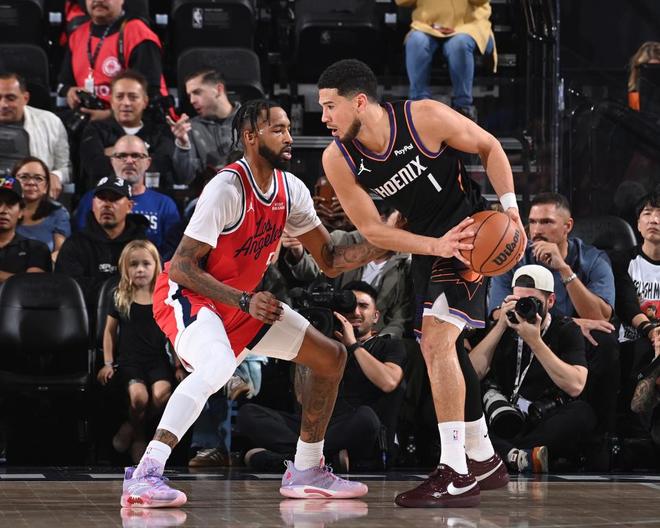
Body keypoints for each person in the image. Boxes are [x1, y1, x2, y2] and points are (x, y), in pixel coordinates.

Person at [120, 99, 396, 508]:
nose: (289, 137)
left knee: (331, 357)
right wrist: (245, 300)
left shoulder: (291, 189)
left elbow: (330, 259)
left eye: (289, 129)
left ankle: (306, 469)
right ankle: (145, 474)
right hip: (191, 295)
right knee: (217, 366)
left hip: (243, 303)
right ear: (250, 136)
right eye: (278, 129)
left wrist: (384, 243)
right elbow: (181, 267)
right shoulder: (227, 188)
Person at [317, 59, 524, 507]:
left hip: (470, 237)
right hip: (428, 245)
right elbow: (373, 231)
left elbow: (489, 146)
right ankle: (483, 457)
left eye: (330, 106)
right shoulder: (338, 158)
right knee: (443, 350)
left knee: (436, 343)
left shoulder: (422, 117)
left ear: (359, 102)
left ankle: (456, 471)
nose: (324, 118)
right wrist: (434, 246)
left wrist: (510, 209)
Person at [488, 193, 620, 443]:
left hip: (569, 343)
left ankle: (602, 437)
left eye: (546, 222)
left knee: (604, 339)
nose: (537, 230)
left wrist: (563, 268)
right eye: (532, 222)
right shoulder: (512, 257)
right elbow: (497, 311)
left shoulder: (593, 259)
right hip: (526, 336)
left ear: (567, 226)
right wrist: (571, 321)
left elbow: (600, 316)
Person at [239, 281, 406, 471]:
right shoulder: (328, 346)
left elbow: (389, 382)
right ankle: (319, 461)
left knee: (366, 418)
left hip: (356, 430)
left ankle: (285, 461)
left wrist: (353, 346)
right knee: (249, 414)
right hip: (320, 427)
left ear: (376, 316)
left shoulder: (389, 345)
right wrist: (313, 345)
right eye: (350, 307)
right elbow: (302, 398)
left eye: (363, 306)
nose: (355, 312)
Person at [470, 265, 596, 473]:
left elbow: (576, 385)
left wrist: (535, 341)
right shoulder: (502, 326)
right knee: (458, 405)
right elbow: (471, 375)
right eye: (518, 301)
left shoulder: (565, 329)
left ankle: (505, 454)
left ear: (551, 301)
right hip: (499, 416)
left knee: (583, 414)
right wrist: (500, 326)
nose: (523, 307)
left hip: (539, 419)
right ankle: (521, 456)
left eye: (532, 302)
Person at [97, 240, 184, 463]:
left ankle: (131, 426)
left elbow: (172, 334)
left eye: (146, 264)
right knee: (139, 398)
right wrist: (108, 363)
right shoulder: (119, 296)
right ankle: (139, 437)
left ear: (156, 266)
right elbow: (109, 332)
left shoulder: (164, 297)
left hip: (157, 360)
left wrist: (178, 364)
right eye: (133, 264)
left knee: (162, 394)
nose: (140, 269)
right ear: (125, 268)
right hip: (130, 361)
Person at [282, 199, 413, 338]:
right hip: (333, 330)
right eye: (398, 222)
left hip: (377, 337)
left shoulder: (407, 262)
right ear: (379, 220)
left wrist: (379, 342)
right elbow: (310, 272)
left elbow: (401, 317)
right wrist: (298, 251)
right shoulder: (342, 240)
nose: (403, 229)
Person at [58, 0, 168, 118]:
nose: (98, 1)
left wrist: (107, 115)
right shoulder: (77, 36)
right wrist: (70, 91)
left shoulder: (138, 34)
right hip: (89, 117)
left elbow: (149, 96)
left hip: (136, 119)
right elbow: (63, 84)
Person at [55, 176, 148, 314]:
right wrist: (119, 288)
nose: (107, 205)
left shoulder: (142, 246)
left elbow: (147, 288)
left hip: (129, 316)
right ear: (93, 205)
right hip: (84, 318)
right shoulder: (75, 244)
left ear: (129, 206)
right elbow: (67, 290)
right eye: (102, 198)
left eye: (114, 199)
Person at [610, 192, 660, 442]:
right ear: (638, 224)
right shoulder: (623, 261)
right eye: (647, 213)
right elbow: (627, 305)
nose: (654, 220)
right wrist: (652, 332)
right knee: (644, 351)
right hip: (632, 342)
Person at [74, 135, 180, 253]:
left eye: (136, 155)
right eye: (122, 156)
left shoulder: (165, 204)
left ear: (148, 162)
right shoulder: (93, 199)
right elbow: (81, 243)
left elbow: (172, 249)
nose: (129, 161)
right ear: (112, 161)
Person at [395, 0, 496, 120]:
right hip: (427, 26)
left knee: (458, 44)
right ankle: (418, 105)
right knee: (416, 41)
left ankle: (463, 107)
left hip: (468, 26)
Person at [79, 71, 176, 190]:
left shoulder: (160, 131)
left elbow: (163, 165)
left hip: (152, 199)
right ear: (111, 100)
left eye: (133, 97)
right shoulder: (95, 129)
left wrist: (114, 154)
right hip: (106, 198)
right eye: (119, 97)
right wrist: (143, 156)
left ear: (145, 101)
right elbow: (94, 166)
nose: (126, 103)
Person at [0, 73, 71, 198]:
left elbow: (66, 168)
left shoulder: (50, 122)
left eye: (10, 98)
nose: (3, 104)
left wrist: (55, 175)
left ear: (25, 98)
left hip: (32, 195)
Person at [168, 69, 241, 185]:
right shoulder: (190, 128)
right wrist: (182, 145)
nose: (192, 101)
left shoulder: (252, 121)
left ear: (218, 90)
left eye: (197, 92)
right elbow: (184, 179)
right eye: (189, 95)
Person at [13, 157, 71, 262]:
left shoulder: (58, 212)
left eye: (38, 178)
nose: (31, 182)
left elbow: (60, 252)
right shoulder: (3, 209)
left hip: (45, 269)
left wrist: (39, 267)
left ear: (46, 186)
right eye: (24, 177)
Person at [0, 176, 51, 282]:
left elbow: (31, 283)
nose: (3, 211)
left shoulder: (36, 248)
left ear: (21, 212)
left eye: (10, 204)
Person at [627, 41, 660, 112]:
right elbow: (634, 113)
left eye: (657, 69)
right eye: (649, 70)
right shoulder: (633, 90)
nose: (653, 74)